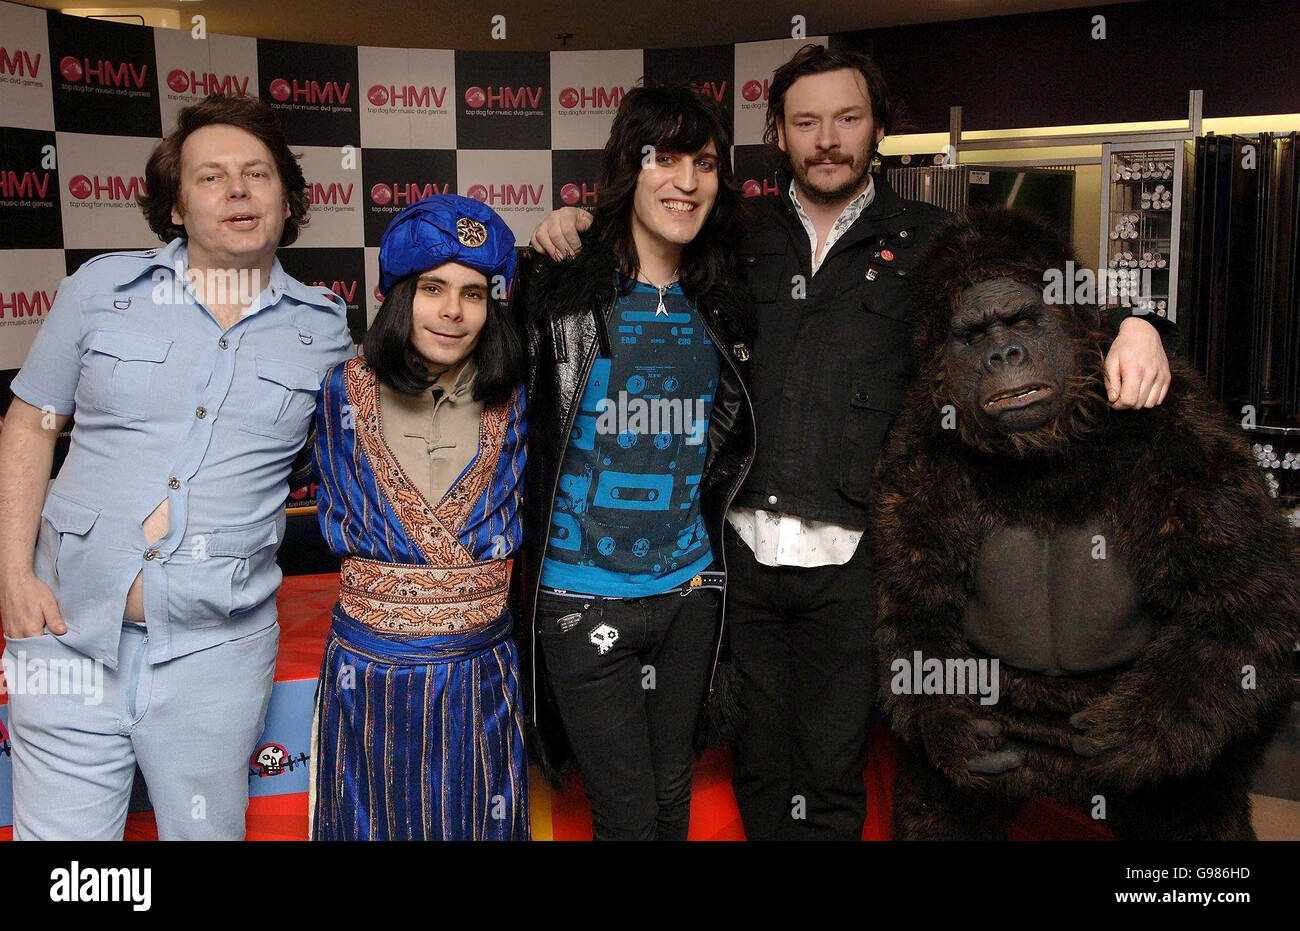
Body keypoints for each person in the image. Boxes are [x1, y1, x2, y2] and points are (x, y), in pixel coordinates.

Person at [529, 44, 1173, 840]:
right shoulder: (735, 235)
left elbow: (1037, 295)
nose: (826, 138)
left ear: (878, 129)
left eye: (846, 119)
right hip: (736, 561)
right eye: (806, 122)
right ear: (779, 135)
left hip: (856, 564)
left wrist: (1137, 326)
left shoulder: (936, 239)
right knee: (756, 766)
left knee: (834, 775)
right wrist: (576, 223)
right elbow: (644, 230)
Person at [0, 93, 353, 840]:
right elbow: (29, 424)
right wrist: (11, 576)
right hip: (65, 634)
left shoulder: (325, 332)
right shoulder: (98, 291)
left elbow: (398, 427)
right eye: (210, 176)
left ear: (287, 200)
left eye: (258, 174)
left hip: (215, 655)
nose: (237, 190)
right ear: (175, 207)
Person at [512, 84, 756, 840]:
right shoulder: (558, 283)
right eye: (667, 158)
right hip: (582, 601)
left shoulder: (721, 295)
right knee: (623, 814)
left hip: (690, 591)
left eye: (706, 163)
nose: (686, 181)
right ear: (629, 165)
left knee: (671, 796)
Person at [309, 194, 529, 841]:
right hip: (369, 677)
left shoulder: (516, 398)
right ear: (400, 293)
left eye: (474, 292)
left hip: (479, 675)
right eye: (434, 287)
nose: (454, 310)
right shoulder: (338, 389)